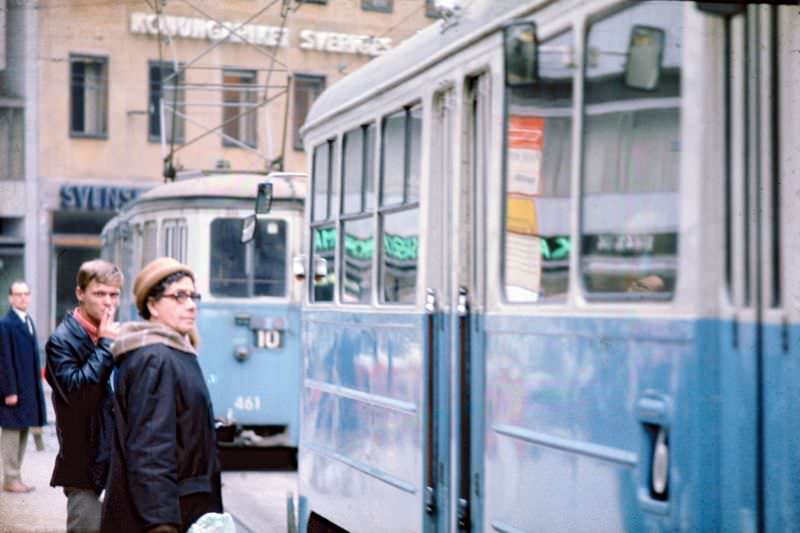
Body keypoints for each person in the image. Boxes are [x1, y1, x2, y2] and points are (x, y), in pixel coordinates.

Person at [100, 257, 222, 533]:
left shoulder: (173, 352)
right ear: (152, 305)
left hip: (184, 506)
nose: (190, 304)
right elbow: (150, 450)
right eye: (178, 296)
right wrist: (161, 524)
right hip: (169, 514)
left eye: (192, 295)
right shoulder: (157, 358)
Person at [45, 260, 123, 533]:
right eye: (99, 294)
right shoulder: (61, 341)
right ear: (80, 293)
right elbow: (79, 395)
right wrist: (105, 346)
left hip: (113, 460)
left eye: (114, 295)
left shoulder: (110, 334)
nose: (108, 303)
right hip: (85, 467)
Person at [0, 280, 46, 493]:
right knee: (11, 432)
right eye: (17, 294)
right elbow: (4, 360)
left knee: (24, 429)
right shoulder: (6, 324)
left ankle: (16, 476)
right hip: (14, 391)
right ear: (10, 298)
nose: (22, 298)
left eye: (26, 294)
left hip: (27, 389)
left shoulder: (28, 321)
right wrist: (9, 391)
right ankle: (10, 477)